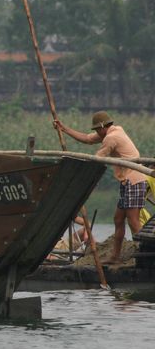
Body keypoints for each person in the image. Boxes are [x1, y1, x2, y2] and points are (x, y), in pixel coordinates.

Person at [54, 111, 147, 264]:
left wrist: (76, 173)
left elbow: (97, 159)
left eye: (98, 129)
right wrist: (64, 129)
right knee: (118, 219)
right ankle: (115, 256)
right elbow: (87, 139)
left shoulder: (111, 138)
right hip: (126, 182)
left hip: (134, 180)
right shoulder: (113, 131)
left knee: (133, 221)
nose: (97, 133)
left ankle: (144, 253)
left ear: (104, 126)